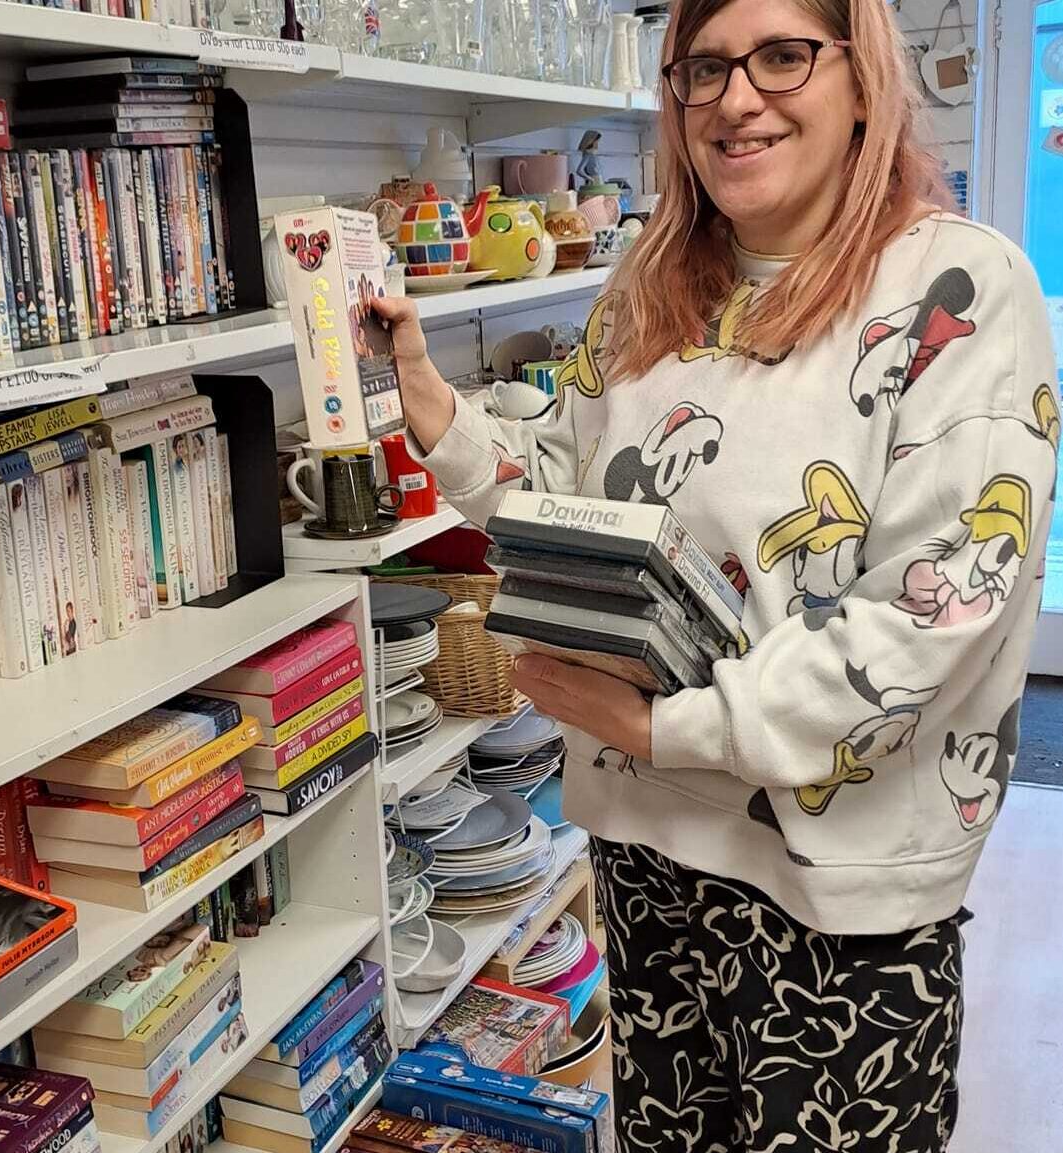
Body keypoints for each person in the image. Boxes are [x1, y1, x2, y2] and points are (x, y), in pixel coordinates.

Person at [373, 0, 1059, 1147]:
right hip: (646, 851)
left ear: (859, 77)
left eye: (782, 55)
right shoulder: (653, 281)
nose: (736, 99)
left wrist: (659, 729)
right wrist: (431, 405)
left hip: (835, 881)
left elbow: (936, 611)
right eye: (702, 68)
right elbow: (558, 493)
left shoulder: (963, 285)